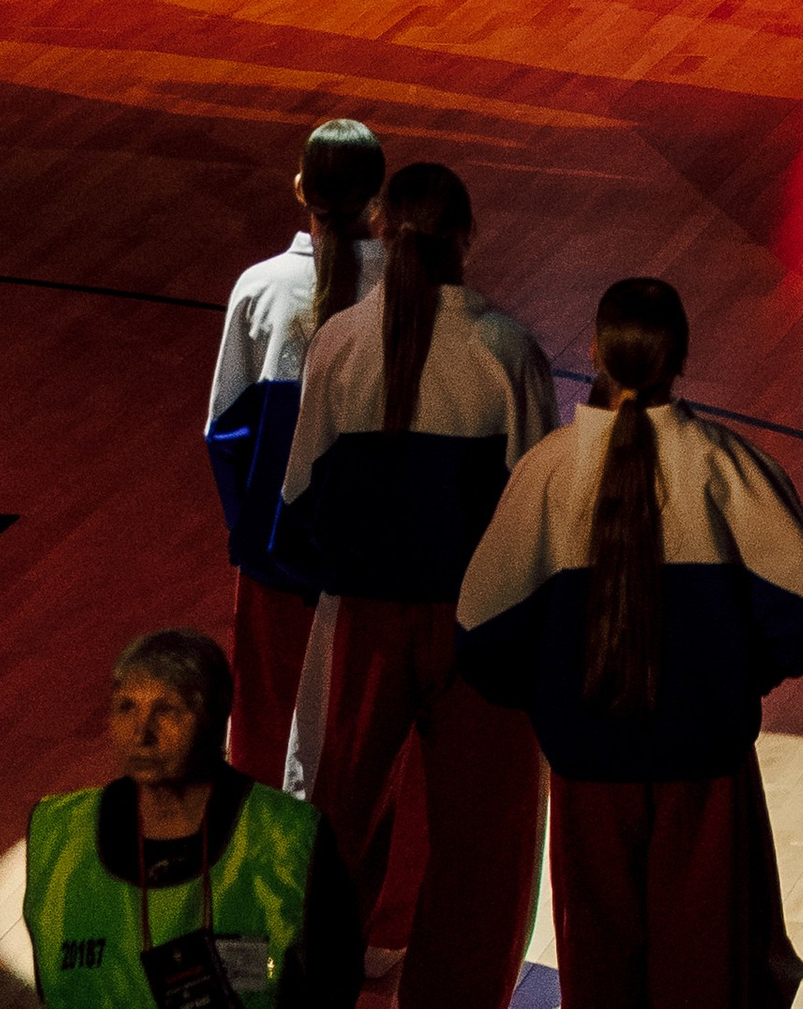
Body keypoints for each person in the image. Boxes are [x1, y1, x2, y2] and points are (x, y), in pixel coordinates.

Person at [457, 276, 803, 1009]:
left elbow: (481, 631)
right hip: (704, 768)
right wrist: (731, 679)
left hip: (587, 769)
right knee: (705, 966)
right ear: (682, 357)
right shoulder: (731, 467)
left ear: (593, 352)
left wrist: (553, 700)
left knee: (598, 971)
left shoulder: (546, 473)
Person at [277, 162, 557, 1005]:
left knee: (341, 812)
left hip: (367, 616)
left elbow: (300, 497)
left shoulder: (338, 341)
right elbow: (535, 512)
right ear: (467, 237)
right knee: (483, 835)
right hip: (477, 630)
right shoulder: (507, 349)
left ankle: (316, 982)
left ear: (382, 230)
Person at [23, 627, 364, 1009]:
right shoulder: (58, 832)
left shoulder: (290, 838)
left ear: (213, 718)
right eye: (126, 707)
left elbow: (334, 984)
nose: (142, 733)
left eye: (166, 710)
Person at [207, 120, 388, 788]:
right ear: (379, 198)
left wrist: (255, 532)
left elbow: (224, 432)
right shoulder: (410, 297)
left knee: (263, 739)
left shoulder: (259, 288)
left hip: (275, 563)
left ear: (299, 189)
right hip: (378, 566)